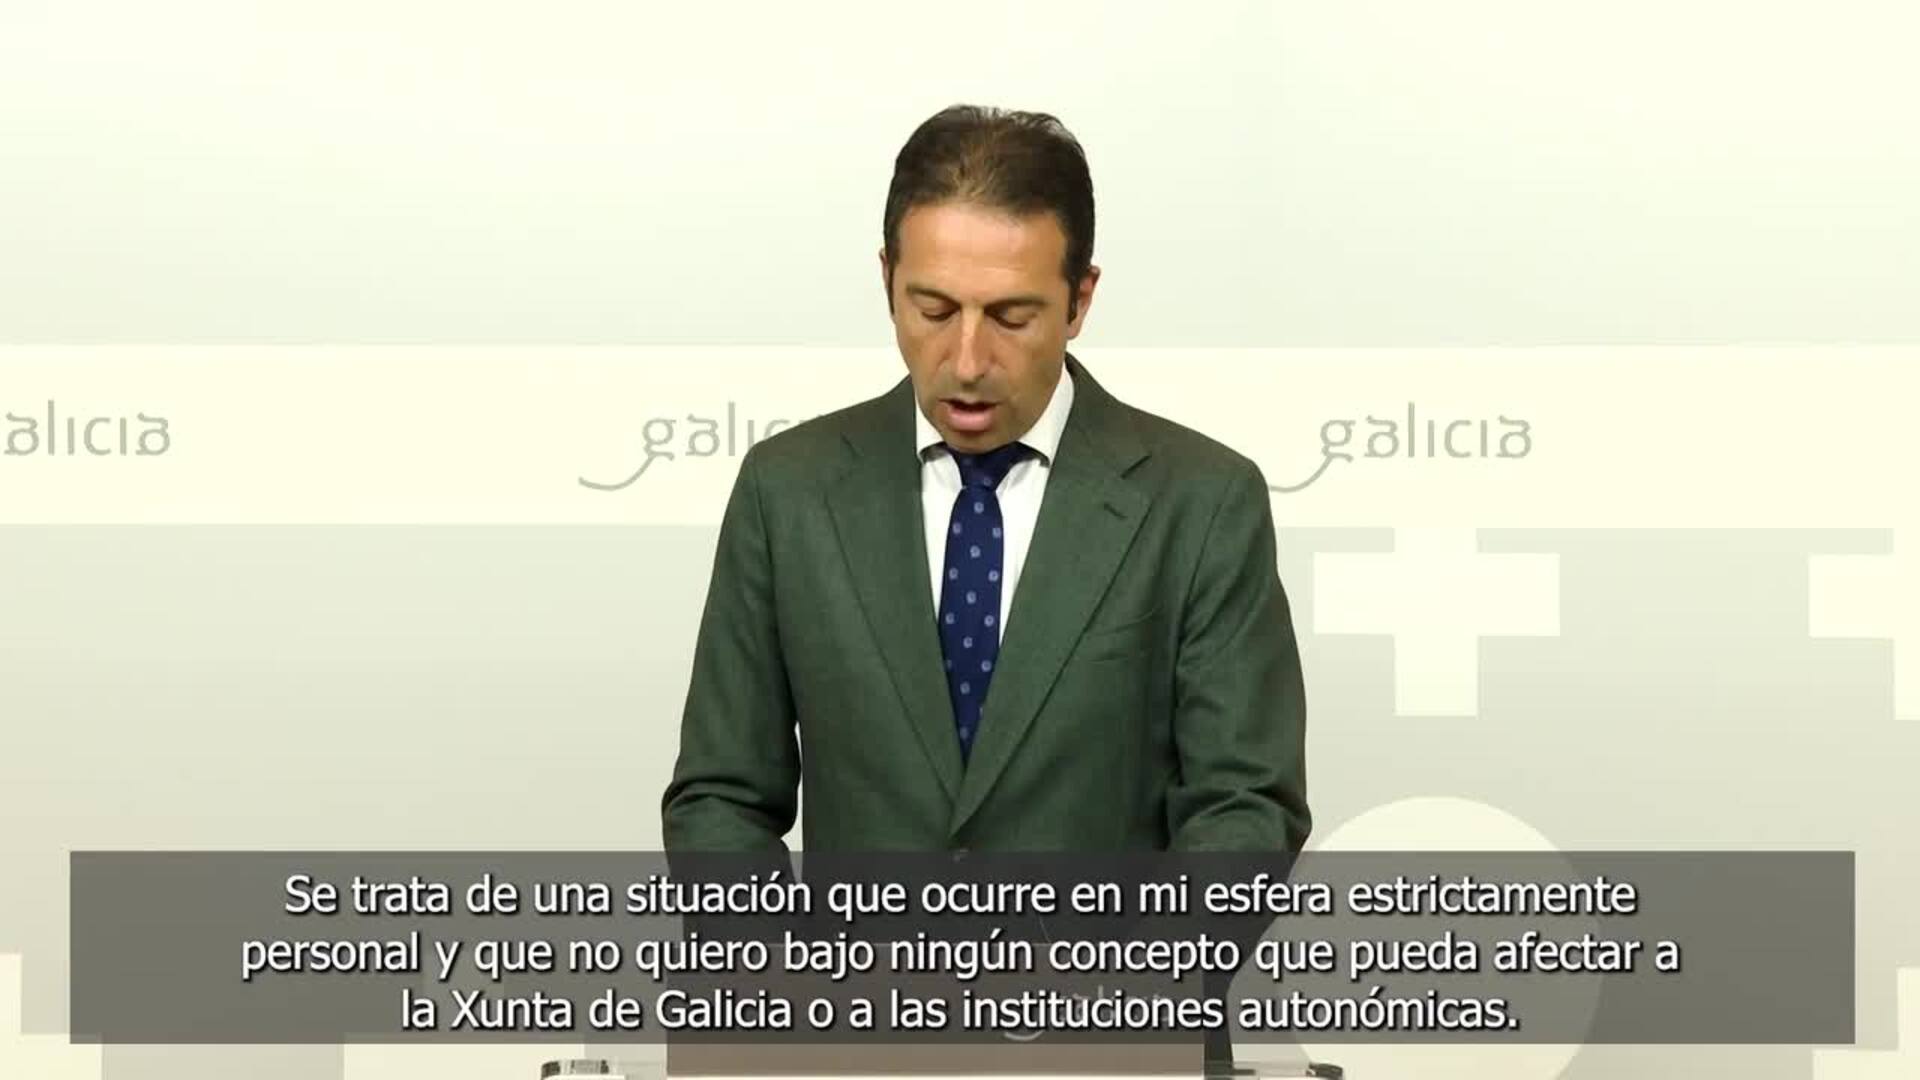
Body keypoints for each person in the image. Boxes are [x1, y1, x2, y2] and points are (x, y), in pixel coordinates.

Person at [661, 104, 1309, 856]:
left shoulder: (1203, 504)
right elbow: (721, 801)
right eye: (933, 310)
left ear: (1080, 299)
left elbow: (1246, 809)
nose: (967, 361)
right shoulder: (787, 493)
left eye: (1011, 317)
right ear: (887, 281)